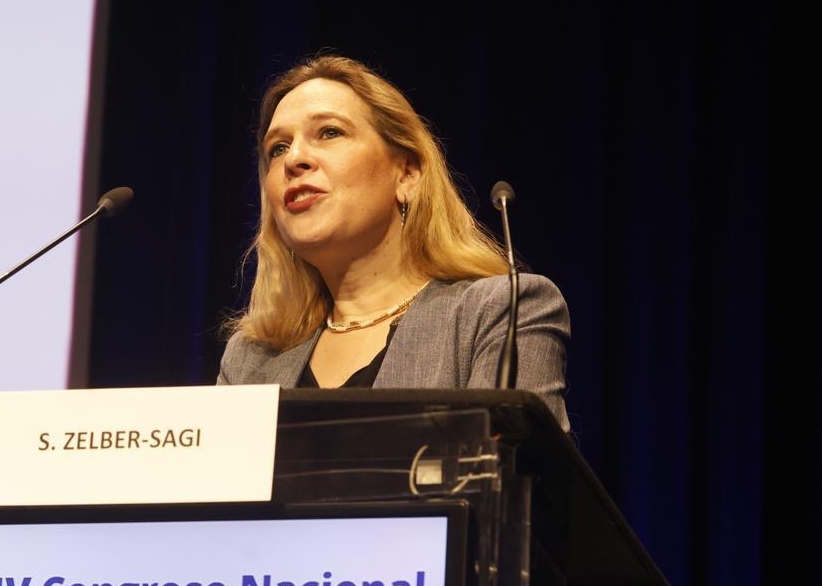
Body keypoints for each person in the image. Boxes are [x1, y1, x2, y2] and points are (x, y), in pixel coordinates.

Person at [217, 55, 571, 431]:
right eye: (278, 148)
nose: (295, 159)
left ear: (408, 173)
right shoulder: (249, 360)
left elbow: (513, 483)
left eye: (330, 132)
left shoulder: (497, 315)